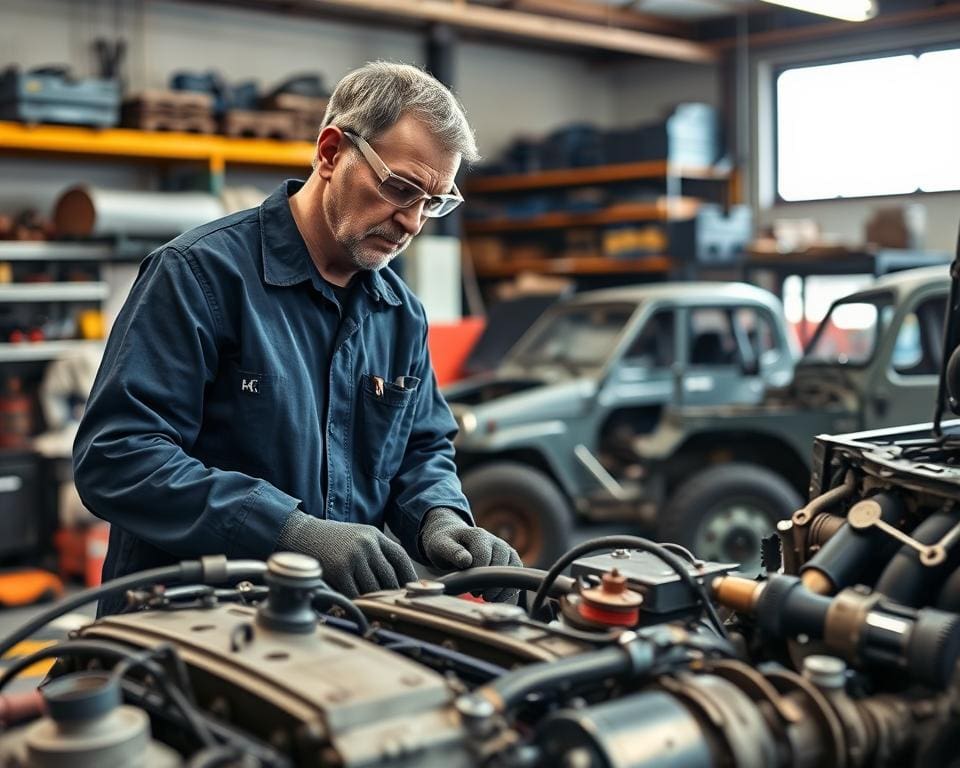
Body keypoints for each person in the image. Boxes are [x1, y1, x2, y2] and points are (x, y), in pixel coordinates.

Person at [73, 61, 522, 615]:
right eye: (400, 188)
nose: (412, 222)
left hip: (336, 627)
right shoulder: (198, 276)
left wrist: (439, 516)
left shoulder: (400, 314)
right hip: (187, 625)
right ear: (331, 153)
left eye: (432, 203)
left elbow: (421, 447)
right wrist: (288, 531)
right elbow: (118, 457)